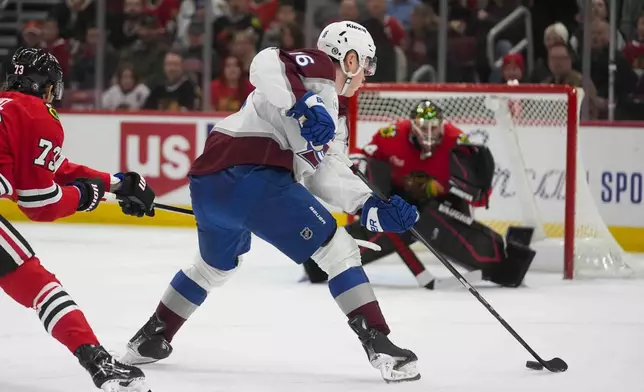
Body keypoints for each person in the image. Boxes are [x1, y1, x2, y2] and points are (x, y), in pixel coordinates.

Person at [122, 21, 421, 383]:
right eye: (367, 65)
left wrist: (371, 207)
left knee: (214, 267)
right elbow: (265, 62)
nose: (367, 77)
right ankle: (380, 344)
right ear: (351, 58)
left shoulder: (335, 115)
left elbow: (324, 172)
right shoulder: (320, 68)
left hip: (210, 184)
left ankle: (151, 338)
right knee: (338, 251)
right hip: (253, 176)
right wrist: (305, 103)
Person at [0, 47, 156, 392]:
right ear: (47, 86)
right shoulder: (36, 114)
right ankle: (98, 361)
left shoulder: (8, 109)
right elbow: (38, 202)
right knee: (41, 286)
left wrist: (115, 184)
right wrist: (86, 198)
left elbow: (53, 168)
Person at [302, 100, 536, 289]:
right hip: (398, 199)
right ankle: (320, 262)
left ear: (443, 125)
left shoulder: (457, 142)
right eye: (423, 126)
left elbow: (473, 193)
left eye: (434, 126)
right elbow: (366, 164)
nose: (429, 132)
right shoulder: (392, 135)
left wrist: (437, 189)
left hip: (439, 205)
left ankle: (502, 262)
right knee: (395, 222)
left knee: (430, 222)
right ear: (412, 125)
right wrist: (373, 198)